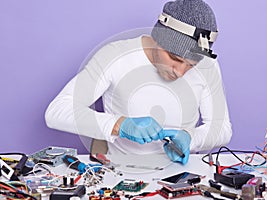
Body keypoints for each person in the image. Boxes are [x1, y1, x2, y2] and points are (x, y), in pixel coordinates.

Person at [45, 0, 232, 165]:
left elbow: (222, 128)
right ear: (157, 40)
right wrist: (120, 125)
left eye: (191, 65)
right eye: (175, 58)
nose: (181, 72)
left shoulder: (209, 66)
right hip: (119, 171)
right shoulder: (115, 56)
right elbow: (57, 112)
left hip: (178, 172)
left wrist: (191, 138)